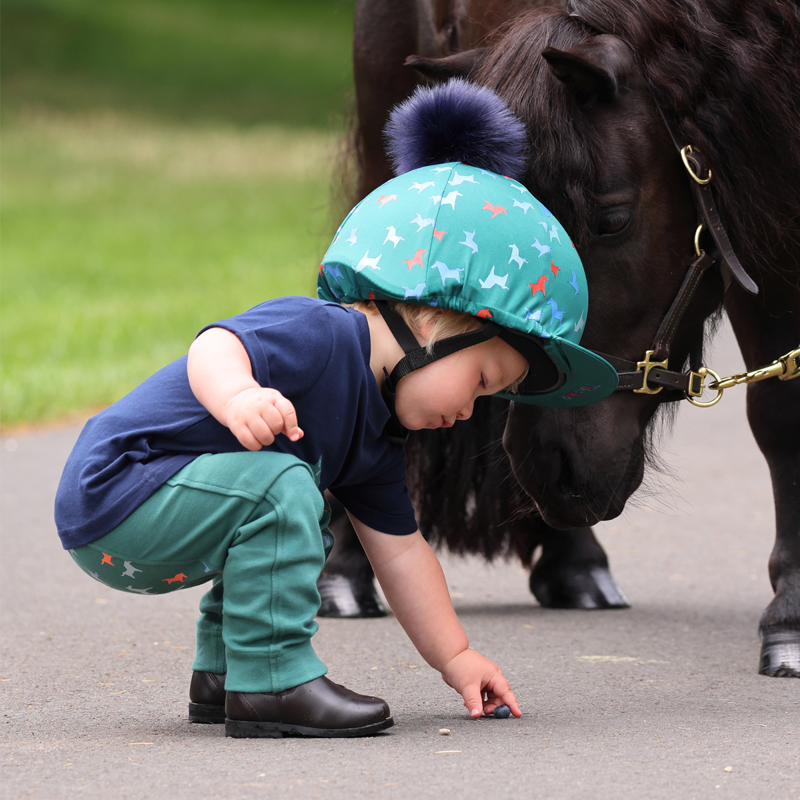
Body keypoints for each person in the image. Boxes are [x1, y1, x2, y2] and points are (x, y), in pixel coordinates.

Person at [54, 79, 618, 739]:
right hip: (116, 489)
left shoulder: (372, 439)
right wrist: (238, 395)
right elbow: (214, 344)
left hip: (152, 523)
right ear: (436, 318)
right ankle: (272, 683)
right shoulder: (322, 337)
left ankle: (228, 673)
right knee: (283, 489)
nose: (473, 411)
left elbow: (404, 557)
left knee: (287, 502)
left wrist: (458, 658)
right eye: (486, 378)